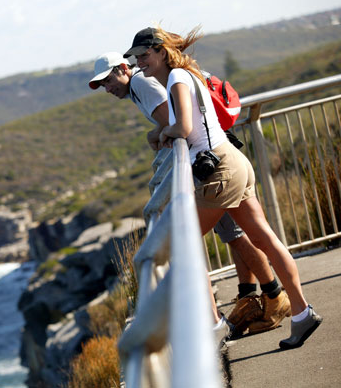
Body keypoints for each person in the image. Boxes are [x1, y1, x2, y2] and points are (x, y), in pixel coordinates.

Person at [122, 26, 322, 349]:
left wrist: (163, 133)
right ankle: (302, 314)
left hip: (219, 171)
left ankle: (213, 328)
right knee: (265, 239)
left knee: (181, 245)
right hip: (233, 161)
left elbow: (185, 127)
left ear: (161, 52)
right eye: (137, 58)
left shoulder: (175, 79)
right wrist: (163, 131)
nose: (141, 63)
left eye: (145, 55)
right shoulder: (188, 73)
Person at [89, 52, 292, 339]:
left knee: (230, 236)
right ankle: (255, 298)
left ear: (124, 68)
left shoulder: (141, 85)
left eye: (109, 80)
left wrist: (157, 135)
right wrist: (159, 132)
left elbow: (171, 124)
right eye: (103, 85)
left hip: (208, 164)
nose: (108, 88)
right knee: (240, 233)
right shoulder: (141, 86)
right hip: (215, 158)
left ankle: (272, 297)